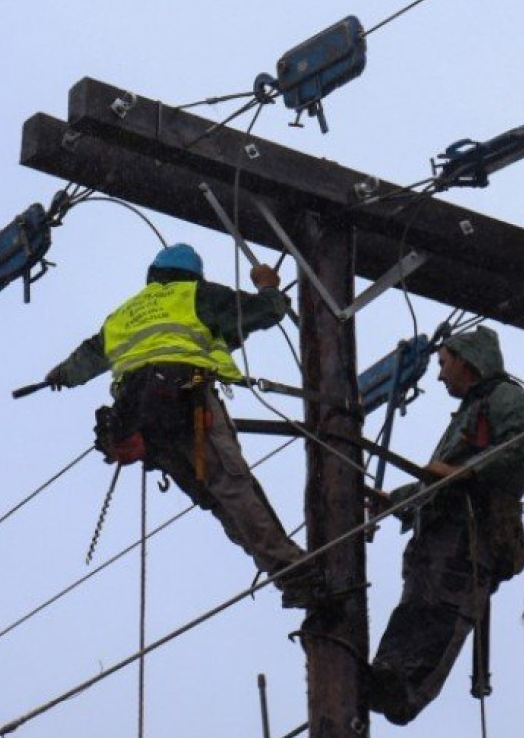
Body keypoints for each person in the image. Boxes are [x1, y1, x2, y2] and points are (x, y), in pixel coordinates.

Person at [43, 243, 323, 608]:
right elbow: (265, 311)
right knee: (233, 487)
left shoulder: (123, 315)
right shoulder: (197, 295)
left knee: (217, 500)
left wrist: (61, 374)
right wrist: (268, 286)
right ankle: (296, 574)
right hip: (186, 403)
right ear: (194, 275)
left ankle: (289, 577)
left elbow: (89, 355)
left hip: (143, 423)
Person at [365, 325, 524, 724]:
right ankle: (385, 676)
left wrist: (465, 472)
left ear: (468, 361)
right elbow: (439, 479)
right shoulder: (469, 412)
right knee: (414, 609)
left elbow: (517, 449)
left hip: (470, 534)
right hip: (439, 536)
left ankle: (407, 693)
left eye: (444, 363)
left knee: (443, 615)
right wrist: (395, 501)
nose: (440, 374)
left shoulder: (505, 398)